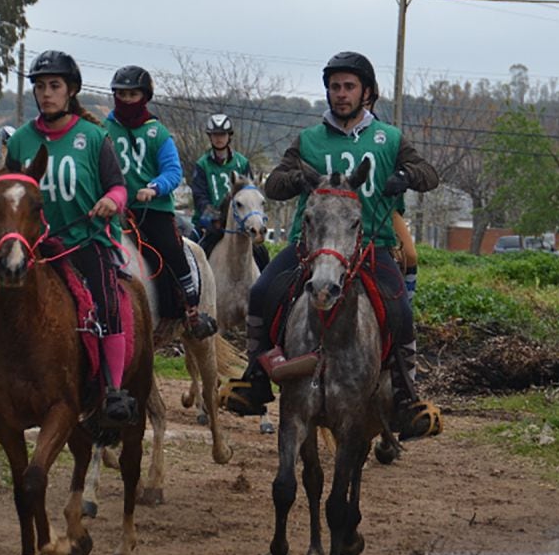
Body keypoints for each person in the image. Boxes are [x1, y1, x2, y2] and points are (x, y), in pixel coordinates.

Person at [221, 51, 441, 440]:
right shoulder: (309, 139)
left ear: (366, 92)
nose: (341, 94)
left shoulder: (388, 139)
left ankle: (407, 400)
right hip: (311, 247)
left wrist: (404, 176)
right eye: (335, 87)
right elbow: (274, 184)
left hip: (371, 246)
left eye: (349, 87)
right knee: (262, 292)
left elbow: (430, 174)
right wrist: (298, 181)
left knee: (401, 312)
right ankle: (255, 379)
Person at [0, 50, 136, 425]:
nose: (46, 93)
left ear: (71, 91)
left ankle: (113, 390)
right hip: (34, 244)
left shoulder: (94, 137)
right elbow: (9, 190)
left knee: (108, 301)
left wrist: (110, 202)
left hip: (84, 240)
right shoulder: (22, 141)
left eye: (55, 86)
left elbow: (118, 187)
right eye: (40, 87)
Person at [105, 65, 218, 339]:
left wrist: (154, 188)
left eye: (133, 94)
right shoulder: (103, 130)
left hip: (152, 209)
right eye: (122, 94)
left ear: (145, 97)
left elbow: (173, 171)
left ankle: (191, 309)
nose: (127, 100)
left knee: (172, 249)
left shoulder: (159, 133)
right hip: (112, 207)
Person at [191, 113, 269, 270]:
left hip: (238, 220)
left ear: (229, 136)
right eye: (215, 135)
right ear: (210, 137)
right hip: (212, 221)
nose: (219, 138)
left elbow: (251, 194)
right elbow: (200, 197)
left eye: (222, 134)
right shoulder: (202, 164)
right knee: (194, 251)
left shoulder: (242, 162)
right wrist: (215, 218)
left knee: (262, 255)